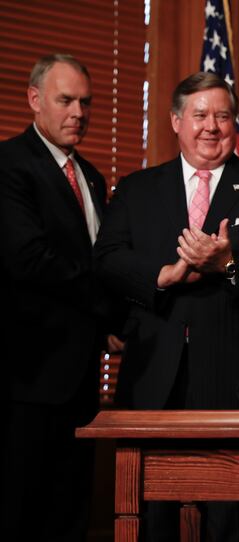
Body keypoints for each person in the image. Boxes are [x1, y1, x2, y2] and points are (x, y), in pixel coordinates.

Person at [94, 71, 239, 541]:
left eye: (222, 116)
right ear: (176, 121)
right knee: (149, 515)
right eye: (200, 115)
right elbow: (107, 259)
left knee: (231, 517)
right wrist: (162, 275)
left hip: (235, 374)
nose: (211, 126)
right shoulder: (137, 188)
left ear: (236, 124)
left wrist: (228, 263)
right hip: (154, 374)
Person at [0, 54, 107, 541]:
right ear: (34, 99)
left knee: (70, 515)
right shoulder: (9, 165)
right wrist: (107, 304)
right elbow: (29, 259)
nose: (78, 113)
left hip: (81, 380)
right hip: (26, 378)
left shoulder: (92, 177)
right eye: (66, 100)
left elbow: (98, 259)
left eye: (85, 102)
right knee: (19, 511)